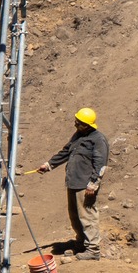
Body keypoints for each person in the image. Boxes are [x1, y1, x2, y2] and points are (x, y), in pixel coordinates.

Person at [38, 107, 109, 258]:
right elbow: (65, 152)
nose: (75, 124)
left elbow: (100, 164)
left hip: (85, 185)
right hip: (73, 182)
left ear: (87, 125)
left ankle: (93, 250)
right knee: (75, 216)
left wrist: (93, 184)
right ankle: (81, 244)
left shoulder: (98, 140)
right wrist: (49, 165)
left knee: (87, 216)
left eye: (79, 123)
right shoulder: (78, 136)